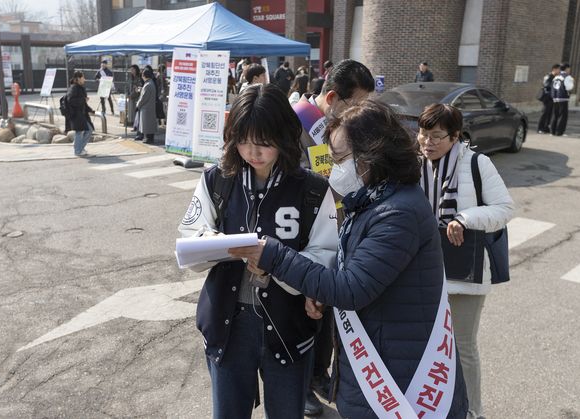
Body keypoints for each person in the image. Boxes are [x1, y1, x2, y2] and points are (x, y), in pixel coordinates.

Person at [230, 99, 469, 419]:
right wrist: (322, 294)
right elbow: (363, 272)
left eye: (340, 158)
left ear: (373, 153)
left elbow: (351, 288)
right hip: (381, 362)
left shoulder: (398, 213)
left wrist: (272, 254)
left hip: (402, 382)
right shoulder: (374, 200)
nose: (332, 168)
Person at [178, 83, 338, 419]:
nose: (253, 152)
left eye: (264, 142)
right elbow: (190, 236)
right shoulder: (216, 181)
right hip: (228, 325)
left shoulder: (312, 189)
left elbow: (326, 256)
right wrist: (211, 240)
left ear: (283, 136)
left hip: (288, 326)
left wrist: (276, 266)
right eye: (244, 141)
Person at [417, 104, 514, 419]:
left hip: (464, 272)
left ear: (455, 136)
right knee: (428, 345)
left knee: (462, 346)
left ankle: (473, 411)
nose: (427, 142)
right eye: (423, 134)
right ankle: (437, 405)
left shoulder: (476, 163)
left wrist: (464, 218)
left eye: (436, 136)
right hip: (425, 271)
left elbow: (504, 209)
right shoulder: (416, 165)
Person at [292, 58, 375, 416]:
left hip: (337, 231)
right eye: (356, 103)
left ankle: (318, 374)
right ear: (332, 97)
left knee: (325, 315)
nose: (361, 112)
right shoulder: (298, 120)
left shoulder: (343, 128)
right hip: (300, 235)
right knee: (298, 314)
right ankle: (299, 386)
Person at [67, 71, 95, 157]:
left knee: (89, 130)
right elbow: (70, 101)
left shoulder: (80, 87)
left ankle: (79, 147)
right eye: (83, 77)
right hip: (76, 114)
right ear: (78, 78)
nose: (84, 79)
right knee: (80, 132)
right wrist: (83, 100)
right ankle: (78, 151)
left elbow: (83, 103)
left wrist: (90, 110)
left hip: (82, 114)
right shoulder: (74, 88)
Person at [551, 63, 575, 136]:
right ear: (567, 69)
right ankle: (559, 132)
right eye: (569, 69)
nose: (569, 70)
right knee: (562, 116)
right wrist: (572, 82)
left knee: (555, 115)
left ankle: (553, 131)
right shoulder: (567, 77)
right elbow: (569, 88)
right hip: (563, 98)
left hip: (555, 98)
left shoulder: (556, 76)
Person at [135, 68, 158, 144]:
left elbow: (143, 98)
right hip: (150, 107)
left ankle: (148, 139)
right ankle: (149, 138)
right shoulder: (151, 83)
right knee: (149, 124)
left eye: (142, 75)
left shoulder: (147, 85)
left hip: (146, 108)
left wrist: (138, 105)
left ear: (144, 76)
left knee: (146, 125)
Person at [537, 64, 560, 134]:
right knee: (544, 113)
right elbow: (546, 85)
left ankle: (546, 127)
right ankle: (540, 128)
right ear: (554, 69)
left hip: (552, 98)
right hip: (547, 98)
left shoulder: (555, 77)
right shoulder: (548, 76)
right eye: (558, 69)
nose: (559, 71)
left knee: (549, 113)